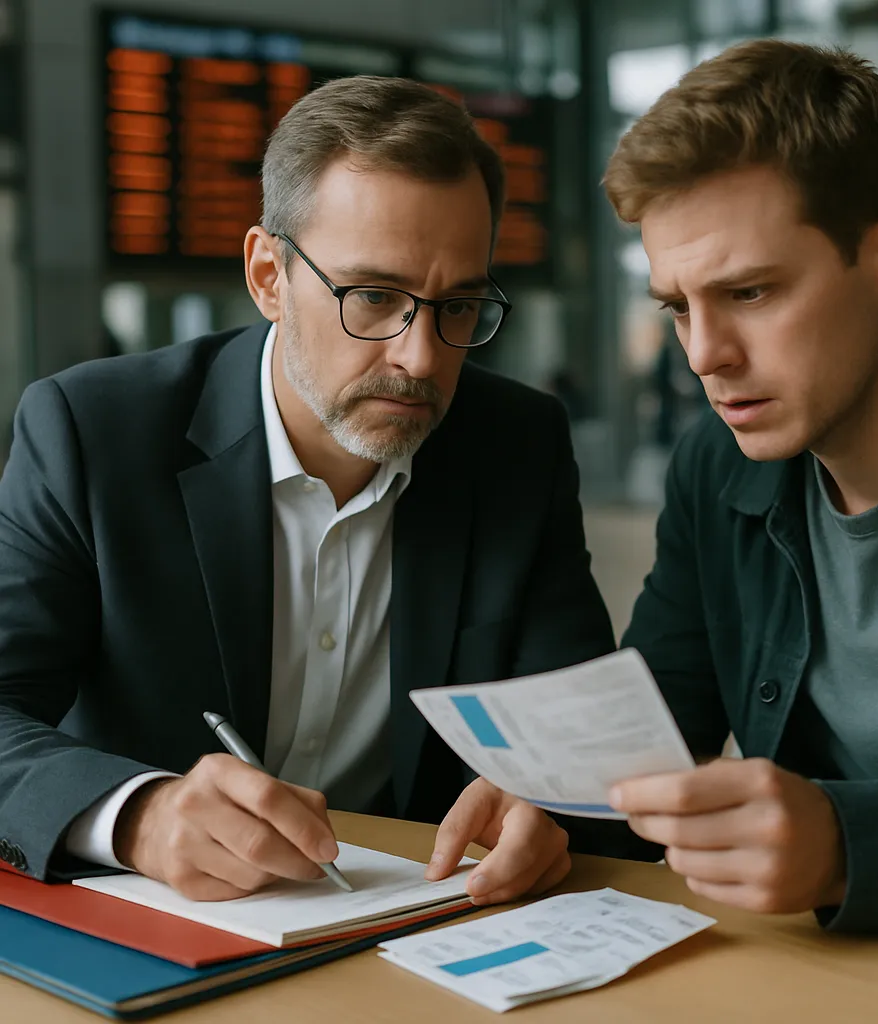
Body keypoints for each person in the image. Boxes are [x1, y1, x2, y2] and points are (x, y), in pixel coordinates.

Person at [0, 76, 620, 903]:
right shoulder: (92, 432)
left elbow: (574, 735)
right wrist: (139, 816)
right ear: (267, 275)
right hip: (161, 922)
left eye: (459, 305)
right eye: (373, 296)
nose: (422, 359)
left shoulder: (516, 445)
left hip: (425, 926)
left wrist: (548, 803)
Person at [603, 40, 878, 935]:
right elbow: (651, 729)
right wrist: (552, 807)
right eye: (677, 306)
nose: (703, 357)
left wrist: (847, 845)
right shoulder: (713, 470)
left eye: (749, 292)